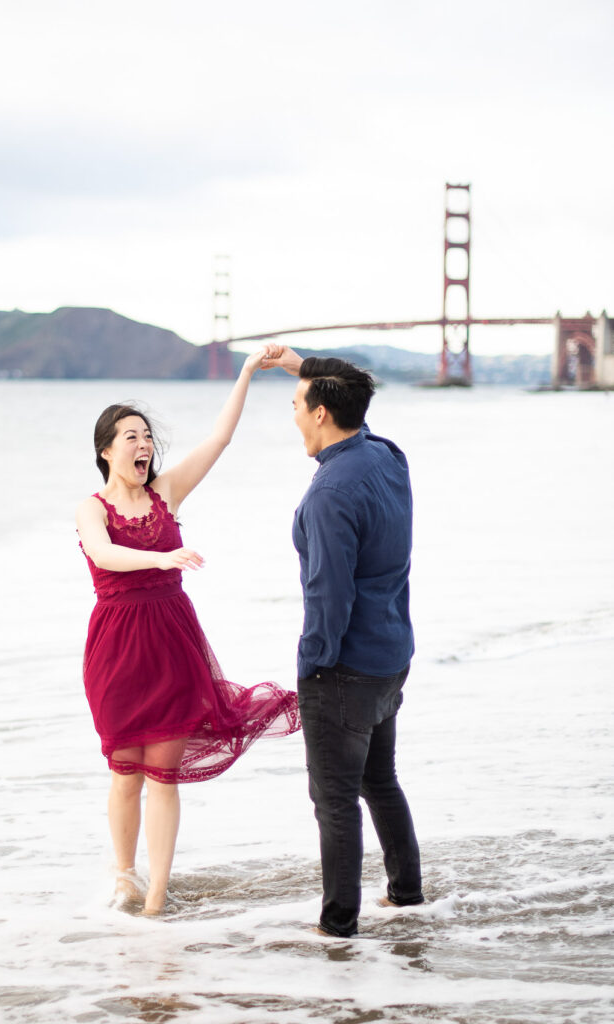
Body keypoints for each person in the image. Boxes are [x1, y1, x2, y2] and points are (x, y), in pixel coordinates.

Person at [76, 350, 300, 916]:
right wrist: (163, 557)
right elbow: (103, 554)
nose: (143, 444)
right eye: (131, 435)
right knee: (125, 773)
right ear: (106, 449)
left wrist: (247, 373)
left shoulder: (167, 493)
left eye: (147, 435)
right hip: (117, 651)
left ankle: (156, 897)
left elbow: (219, 439)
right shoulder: (92, 509)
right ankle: (124, 876)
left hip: (173, 645)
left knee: (163, 776)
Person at [261, 345, 423, 937]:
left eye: (299, 404)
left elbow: (329, 596)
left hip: (346, 668)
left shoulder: (331, 493)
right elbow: (360, 416)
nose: (295, 416)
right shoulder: (386, 456)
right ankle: (407, 893)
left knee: (334, 800)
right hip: (391, 656)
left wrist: (313, 664)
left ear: (323, 413)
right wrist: (307, 367)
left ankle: (338, 928)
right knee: (380, 780)